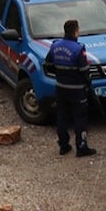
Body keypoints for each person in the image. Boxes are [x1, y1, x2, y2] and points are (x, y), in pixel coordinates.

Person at [43, 19, 95, 157]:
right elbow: (84, 70)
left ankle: (64, 145)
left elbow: (47, 65)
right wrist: (88, 84)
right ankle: (81, 147)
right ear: (75, 31)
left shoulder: (55, 46)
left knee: (62, 116)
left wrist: (59, 75)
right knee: (80, 117)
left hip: (61, 87)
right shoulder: (78, 49)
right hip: (77, 89)